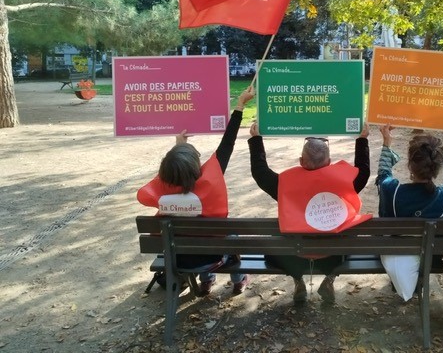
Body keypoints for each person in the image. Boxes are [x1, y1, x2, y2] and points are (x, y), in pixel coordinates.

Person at [137, 86, 255, 297]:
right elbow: (227, 143)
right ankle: (239, 280)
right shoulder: (209, 182)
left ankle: (206, 281)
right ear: (196, 166)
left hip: (178, 260)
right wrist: (239, 106)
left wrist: (177, 147)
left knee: (191, 236)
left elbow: (167, 174)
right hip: (212, 258)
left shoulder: (161, 189)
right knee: (229, 233)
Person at [248, 124, 370, 305]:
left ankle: (298, 281)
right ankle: (329, 279)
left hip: (294, 257)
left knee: (273, 247)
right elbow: (364, 171)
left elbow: (260, 172)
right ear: (329, 162)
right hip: (332, 256)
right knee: (351, 237)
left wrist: (256, 139)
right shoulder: (345, 183)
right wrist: (362, 140)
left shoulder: (283, 185)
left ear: (301, 161)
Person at [376, 124, 443, 219]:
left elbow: (383, 174)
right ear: (437, 166)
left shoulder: (392, 192)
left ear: (410, 166)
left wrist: (386, 141)